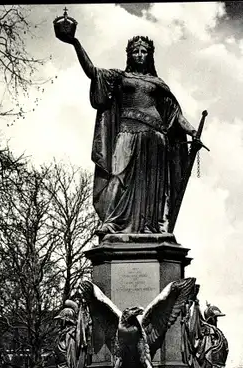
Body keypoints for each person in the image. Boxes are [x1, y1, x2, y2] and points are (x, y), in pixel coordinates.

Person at [64, 34, 201, 235]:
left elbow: (175, 115)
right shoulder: (119, 77)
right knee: (118, 175)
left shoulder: (158, 83)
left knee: (151, 184)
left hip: (155, 136)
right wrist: (75, 42)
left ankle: (150, 226)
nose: (139, 54)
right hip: (127, 132)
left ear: (150, 55)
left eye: (144, 51)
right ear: (129, 55)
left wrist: (193, 131)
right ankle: (112, 222)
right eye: (135, 51)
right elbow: (92, 72)